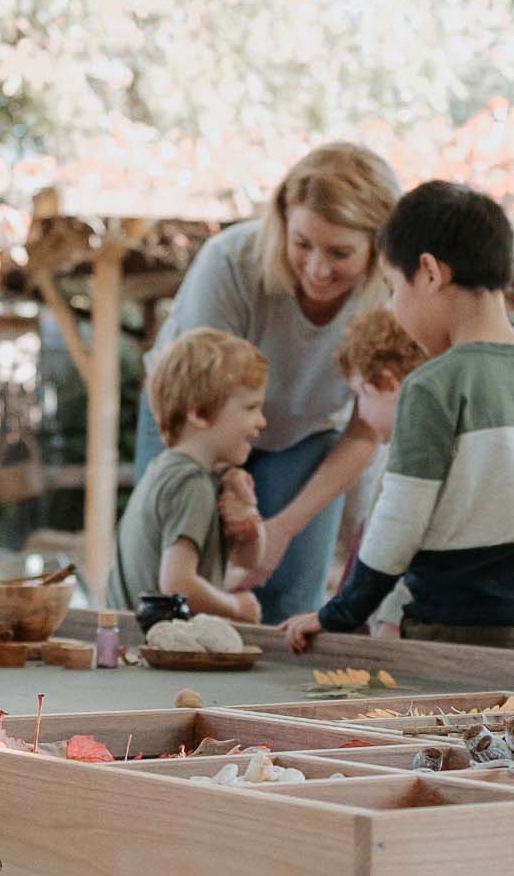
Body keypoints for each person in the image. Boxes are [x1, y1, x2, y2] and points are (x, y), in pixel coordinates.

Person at [281, 181, 514, 654]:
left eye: (393, 288)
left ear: (429, 273)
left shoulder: (433, 386)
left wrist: (341, 612)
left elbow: (399, 518)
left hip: (457, 626)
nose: (394, 308)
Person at [134, 143, 401, 623]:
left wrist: (279, 530)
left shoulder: (393, 297)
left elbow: (367, 430)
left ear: (378, 247)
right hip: (192, 417)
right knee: (173, 593)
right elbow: (194, 390)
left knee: (286, 600)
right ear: (282, 223)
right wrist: (228, 480)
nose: (318, 269)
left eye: (340, 252)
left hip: (304, 432)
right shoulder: (230, 263)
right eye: (302, 244)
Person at [105, 328, 267, 624]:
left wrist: (248, 514)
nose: (261, 421)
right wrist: (235, 607)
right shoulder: (191, 484)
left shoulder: (169, 471)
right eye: (251, 408)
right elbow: (177, 585)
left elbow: (249, 562)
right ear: (199, 413)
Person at [330, 307, 428, 638]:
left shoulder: (411, 458)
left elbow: (404, 545)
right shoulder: (397, 451)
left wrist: (391, 617)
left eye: (361, 395)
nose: (361, 413)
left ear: (388, 383)